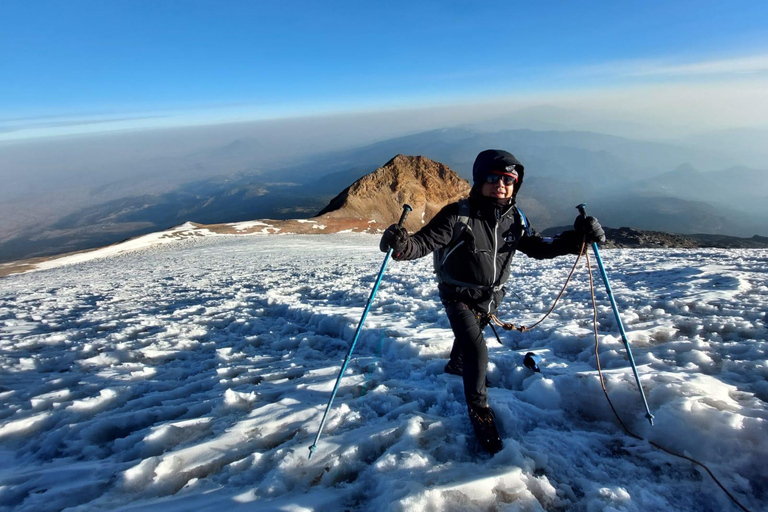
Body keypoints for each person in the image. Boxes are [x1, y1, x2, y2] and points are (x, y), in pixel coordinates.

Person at [379, 149, 605, 454]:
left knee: (471, 341)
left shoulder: (516, 218)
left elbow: (538, 247)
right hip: (457, 295)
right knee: (477, 348)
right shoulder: (457, 215)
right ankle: (479, 410)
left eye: (508, 180)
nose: (501, 184)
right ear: (479, 180)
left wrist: (577, 239)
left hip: (490, 297)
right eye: (493, 177)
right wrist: (401, 245)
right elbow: (423, 242)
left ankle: (457, 364)